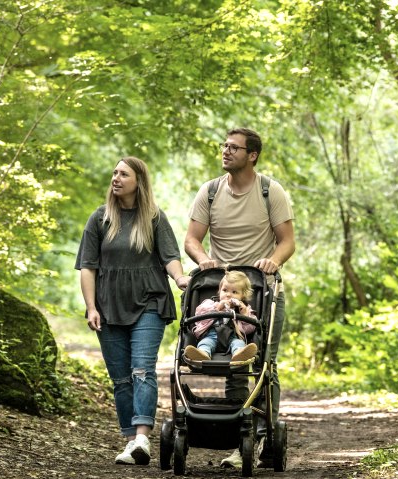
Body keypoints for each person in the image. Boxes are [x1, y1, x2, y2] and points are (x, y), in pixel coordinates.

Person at [184, 127, 295, 468]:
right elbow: (191, 238)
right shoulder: (211, 192)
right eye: (225, 146)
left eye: (234, 147)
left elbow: (287, 241)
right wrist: (202, 258)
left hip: (261, 292)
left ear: (252, 155)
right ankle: (239, 438)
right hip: (221, 292)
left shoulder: (269, 191)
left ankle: (264, 436)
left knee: (263, 364)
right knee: (233, 366)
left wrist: (272, 261)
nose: (226, 151)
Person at [75, 156, 190, 466]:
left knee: (142, 369)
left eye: (123, 174)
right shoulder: (99, 219)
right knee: (121, 378)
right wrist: (90, 308)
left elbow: (170, 256)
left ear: (139, 181)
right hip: (108, 306)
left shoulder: (154, 217)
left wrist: (180, 278)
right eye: (114, 172)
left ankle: (142, 436)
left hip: (149, 301)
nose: (116, 178)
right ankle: (131, 443)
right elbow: (87, 267)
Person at [184, 270, 258, 362]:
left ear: (242, 296)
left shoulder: (245, 309)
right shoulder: (210, 303)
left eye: (234, 292)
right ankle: (202, 354)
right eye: (225, 290)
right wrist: (217, 307)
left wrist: (244, 314)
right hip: (211, 336)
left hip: (233, 337)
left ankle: (239, 355)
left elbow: (250, 329)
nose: (228, 294)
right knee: (205, 343)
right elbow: (199, 316)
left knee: (239, 343)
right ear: (219, 291)